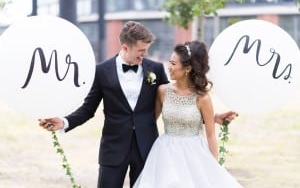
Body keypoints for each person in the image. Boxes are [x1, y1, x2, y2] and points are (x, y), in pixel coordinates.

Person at [38, 21, 238, 188]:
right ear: (125, 47)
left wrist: (212, 118)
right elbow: (88, 109)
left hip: (148, 150)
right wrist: (63, 122)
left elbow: (178, 102)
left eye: (146, 50)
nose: (145, 55)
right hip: (113, 149)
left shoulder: (156, 69)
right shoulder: (102, 71)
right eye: (141, 51)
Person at [133, 40, 243, 187]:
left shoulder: (202, 98)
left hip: (194, 155)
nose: (169, 67)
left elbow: (210, 135)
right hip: (165, 154)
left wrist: (214, 168)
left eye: (173, 63)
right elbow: (149, 121)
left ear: (187, 68)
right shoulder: (162, 91)